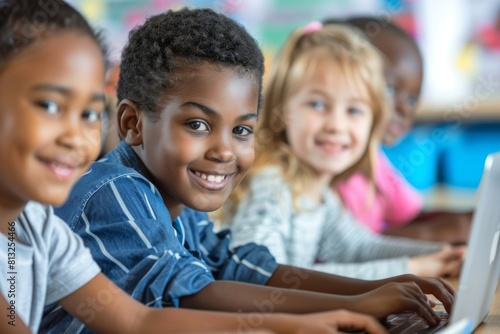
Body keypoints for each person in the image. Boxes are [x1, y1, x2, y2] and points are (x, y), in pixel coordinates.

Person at [45, 7, 453, 333]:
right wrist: (348, 306)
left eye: (242, 130)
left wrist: (373, 291)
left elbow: (238, 268)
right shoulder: (113, 192)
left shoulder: (177, 205)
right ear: (133, 123)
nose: (225, 150)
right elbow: (192, 296)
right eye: (198, 125)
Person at [223, 22, 464, 280]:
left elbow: (361, 248)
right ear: (282, 108)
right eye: (317, 104)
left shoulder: (317, 191)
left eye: (354, 110)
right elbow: (263, 278)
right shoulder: (272, 186)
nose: (336, 125)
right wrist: (414, 269)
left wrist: (443, 254)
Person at [323, 16, 472, 245]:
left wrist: (468, 219)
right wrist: (433, 235)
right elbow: (346, 249)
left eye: (412, 99)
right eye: (391, 90)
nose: (403, 107)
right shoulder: (327, 166)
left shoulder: (376, 162)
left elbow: (410, 218)